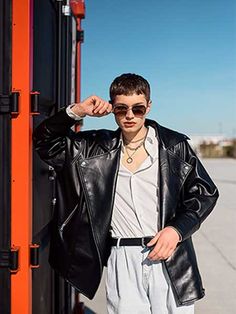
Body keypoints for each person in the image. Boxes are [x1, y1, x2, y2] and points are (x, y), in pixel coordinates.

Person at [34, 73, 219, 314]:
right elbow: (45, 142)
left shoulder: (174, 146)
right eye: (121, 109)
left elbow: (205, 193)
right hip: (122, 259)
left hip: (170, 255)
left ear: (148, 107)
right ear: (112, 109)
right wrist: (77, 111)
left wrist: (177, 230)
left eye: (138, 109)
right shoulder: (92, 148)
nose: (130, 116)